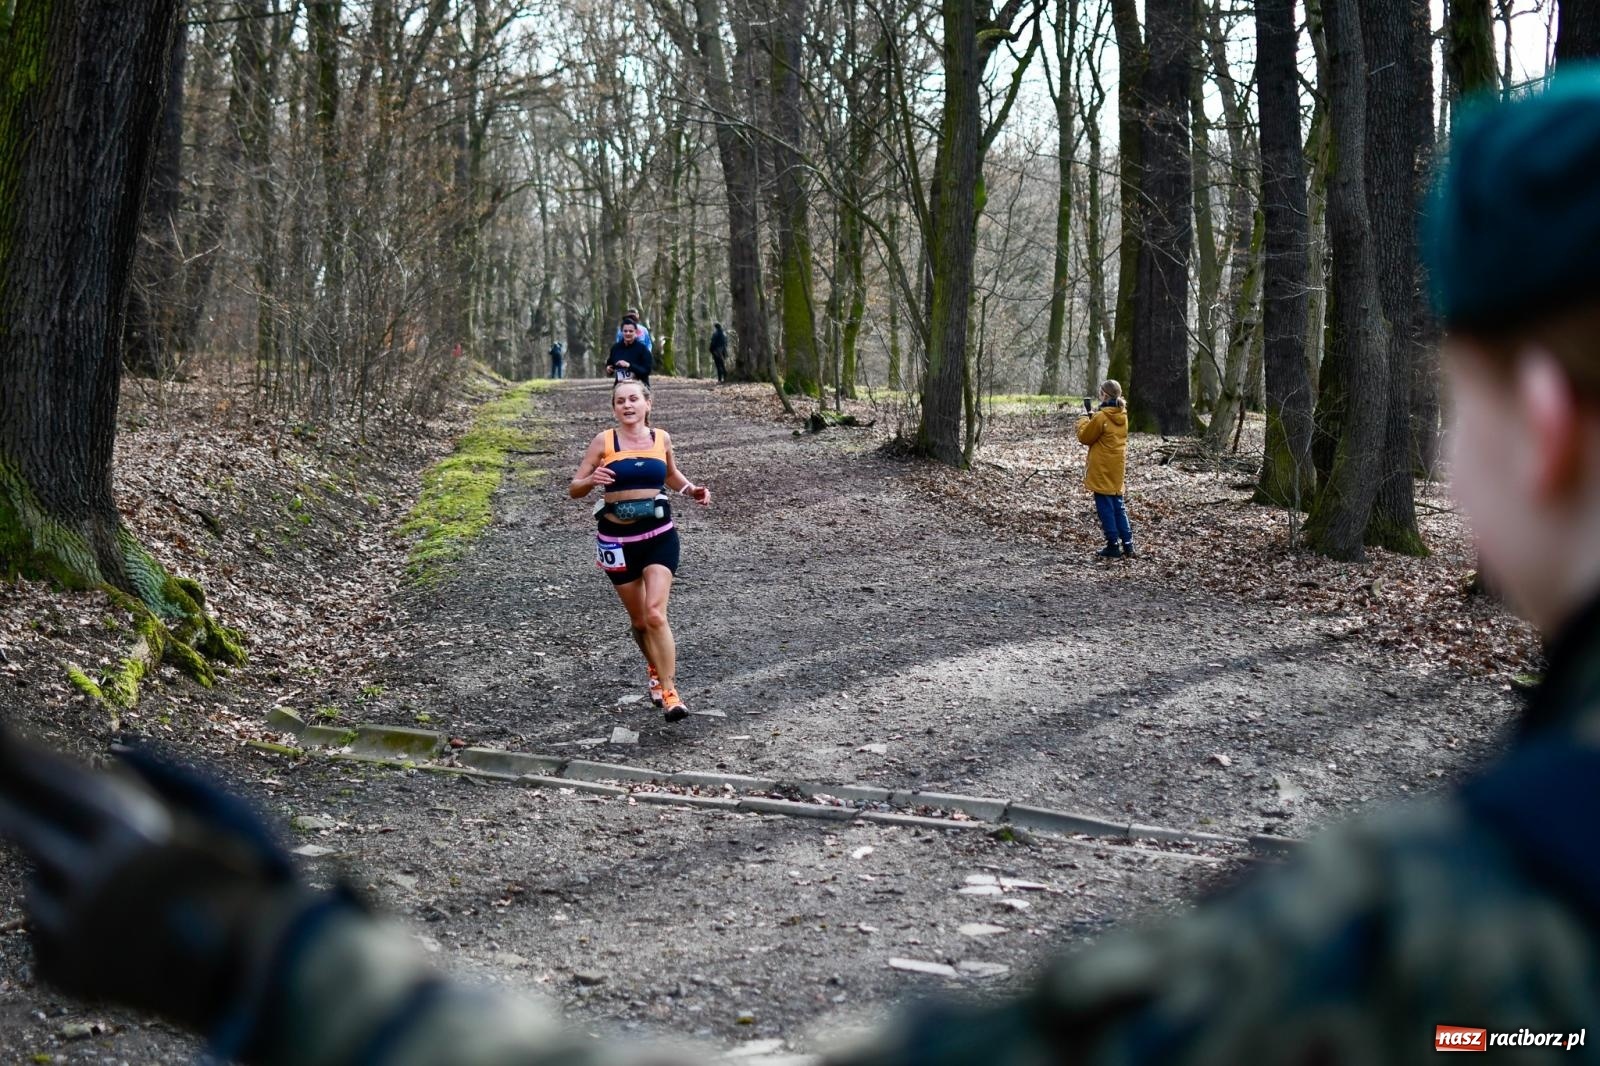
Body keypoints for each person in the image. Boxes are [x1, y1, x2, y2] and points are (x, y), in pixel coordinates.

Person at [5, 71, 1600, 1066]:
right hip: (631, 538)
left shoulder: (1431, 945)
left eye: (1442, 404)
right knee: (646, 609)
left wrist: (273, 964)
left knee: (658, 611)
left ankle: (669, 669)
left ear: (1538, 425)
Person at [567, 379, 709, 721]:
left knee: (656, 614)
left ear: (648, 404)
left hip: (659, 535)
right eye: (620, 401)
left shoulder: (662, 438)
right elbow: (574, 488)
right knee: (640, 622)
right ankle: (653, 665)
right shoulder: (604, 441)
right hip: (616, 542)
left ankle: (670, 691)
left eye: (633, 399)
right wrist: (591, 480)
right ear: (614, 408)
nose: (627, 405)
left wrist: (692, 490)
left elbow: (672, 475)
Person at [1076, 379, 1135, 559]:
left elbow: (1085, 437)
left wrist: (1082, 421)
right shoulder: (1122, 415)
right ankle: (1128, 544)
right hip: (1117, 467)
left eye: (1100, 392)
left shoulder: (1101, 417)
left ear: (1105, 395)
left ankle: (1112, 545)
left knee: (1105, 507)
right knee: (1118, 505)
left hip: (1101, 467)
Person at [605, 319, 653, 385]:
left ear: (635, 332)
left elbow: (646, 371)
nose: (628, 333)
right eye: (625, 331)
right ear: (621, 332)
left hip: (639, 385)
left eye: (631, 331)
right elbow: (610, 363)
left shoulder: (643, 349)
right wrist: (609, 368)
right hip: (620, 385)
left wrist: (629, 366)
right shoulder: (615, 348)